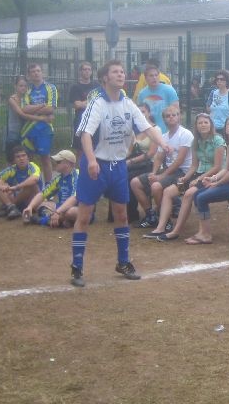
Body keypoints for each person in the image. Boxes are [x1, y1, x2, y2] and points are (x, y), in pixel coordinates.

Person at [70, 59, 170, 287]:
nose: (121, 74)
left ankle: (123, 262)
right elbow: (85, 134)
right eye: (115, 71)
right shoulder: (97, 103)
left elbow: (147, 127)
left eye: (122, 71)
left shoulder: (128, 103)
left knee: (122, 215)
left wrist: (164, 144)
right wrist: (91, 160)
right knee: (84, 216)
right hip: (96, 165)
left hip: (118, 166)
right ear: (105, 78)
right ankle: (77, 266)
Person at [158, 116, 229, 243]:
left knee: (201, 197)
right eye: (228, 124)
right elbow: (226, 169)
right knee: (197, 194)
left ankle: (205, 234)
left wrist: (217, 183)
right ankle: (202, 232)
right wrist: (213, 178)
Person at [144, 113, 226, 240]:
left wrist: (198, 179)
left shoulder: (218, 140)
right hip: (198, 174)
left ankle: (175, 231)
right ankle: (161, 227)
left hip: (214, 176)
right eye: (200, 123)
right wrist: (186, 177)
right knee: (168, 192)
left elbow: (217, 166)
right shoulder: (196, 141)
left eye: (206, 122)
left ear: (211, 125)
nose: (203, 125)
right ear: (196, 126)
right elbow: (194, 165)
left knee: (188, 194)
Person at [131, 105, 193, 229]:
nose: (171, 117)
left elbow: (179, 161)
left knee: (156, 186)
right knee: (135, 182)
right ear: (164, 119)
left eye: (174, 115)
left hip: (183, 173)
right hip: (169, 171)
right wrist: (154, 173)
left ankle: (166, 220)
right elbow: (159, 157)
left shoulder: (185, 134)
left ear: (179, 117)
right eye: (167, 116)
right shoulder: (164, 137)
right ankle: (151, 216)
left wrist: (161, 176)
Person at [20, 63, 58, 184]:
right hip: (29, 129)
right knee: (28, 159)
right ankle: (31, 186)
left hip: (44, 129)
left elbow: (51, 108)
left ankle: (48, 187)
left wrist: (33, 108)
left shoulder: (50, 88)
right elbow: (24, 109)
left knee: (45, 158)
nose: (36, 73)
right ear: (29, 75)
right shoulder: (27, 90)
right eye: (33, 71)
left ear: (42, 72)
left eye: (38, 71)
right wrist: (42, 106)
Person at [22, 149, 80, 227]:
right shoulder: (59, 178)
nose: (55, 163)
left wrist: (57, 212)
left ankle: (44, 220)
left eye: (58, 162)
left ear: (67, 163)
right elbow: (42, 194)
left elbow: (74, 198)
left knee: (70, 212)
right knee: (40, 204)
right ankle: (63, 221)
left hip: (79, 209)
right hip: (62, 207)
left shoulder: (77, 175)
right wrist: (30, 207)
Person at [124, 103, 160, 223]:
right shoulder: (135, 130)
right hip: (136, 163)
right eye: (138, 112)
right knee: (118, 173)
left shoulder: (155, 130)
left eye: (143, 111)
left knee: (128, 177)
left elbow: (151, 153)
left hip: (150, 165)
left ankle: (136, 213)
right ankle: (124, 213)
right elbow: (129, 151)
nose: (141, 114)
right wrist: (119, 161)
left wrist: (130, 161)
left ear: (149, 113)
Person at [0, 145, 42, 219]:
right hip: (18, 200)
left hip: (33, 201)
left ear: (28, 157)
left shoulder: (33, 166)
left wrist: (16, 187)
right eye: (18, 157)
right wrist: (0, 187)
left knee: (31, 185)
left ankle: (9, 206)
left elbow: (34, 179)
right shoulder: (12, 169)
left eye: (23, 155)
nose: (21, 158)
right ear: (14, 160)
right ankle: (11, 207)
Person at [6, 75, 49, 162]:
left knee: (26, 159)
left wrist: (48, 114)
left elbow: (35, 110)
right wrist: (41, 118)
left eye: (25, 86)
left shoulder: (28, 98)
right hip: (14, 133)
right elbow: (22, 114)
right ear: (15, 86)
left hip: (26, 132)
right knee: (12, 160)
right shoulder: (12, 99)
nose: (23, 88)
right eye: (21, 86)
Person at [137, 63, 179, 133]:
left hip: (167, 132)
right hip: (150, 132)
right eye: (151, 75)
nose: (154, 77)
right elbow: (140, 115)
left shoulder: (169, 90)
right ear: (146, 78)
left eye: (156, 75)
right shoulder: (142, 94)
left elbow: (176, 113)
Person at [68, 61, 97, 162]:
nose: (87, 71)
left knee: (95, 147)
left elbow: (100, 102)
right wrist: (92, 101)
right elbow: (77, 105)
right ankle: (80, 170)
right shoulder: (75, 87)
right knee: (80, 150)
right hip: (80, 121)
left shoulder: (96, 85)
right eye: (85, 69)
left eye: (89, 69)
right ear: (80, 71)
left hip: (95, 120)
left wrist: (84, 103)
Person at [208, 70, 229, 135]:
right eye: (217, 79)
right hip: (212, 128)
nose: (219, 81)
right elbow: (209, 108)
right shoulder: (213, 92)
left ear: (227, 81)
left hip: (226, 129)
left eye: (222, 79)